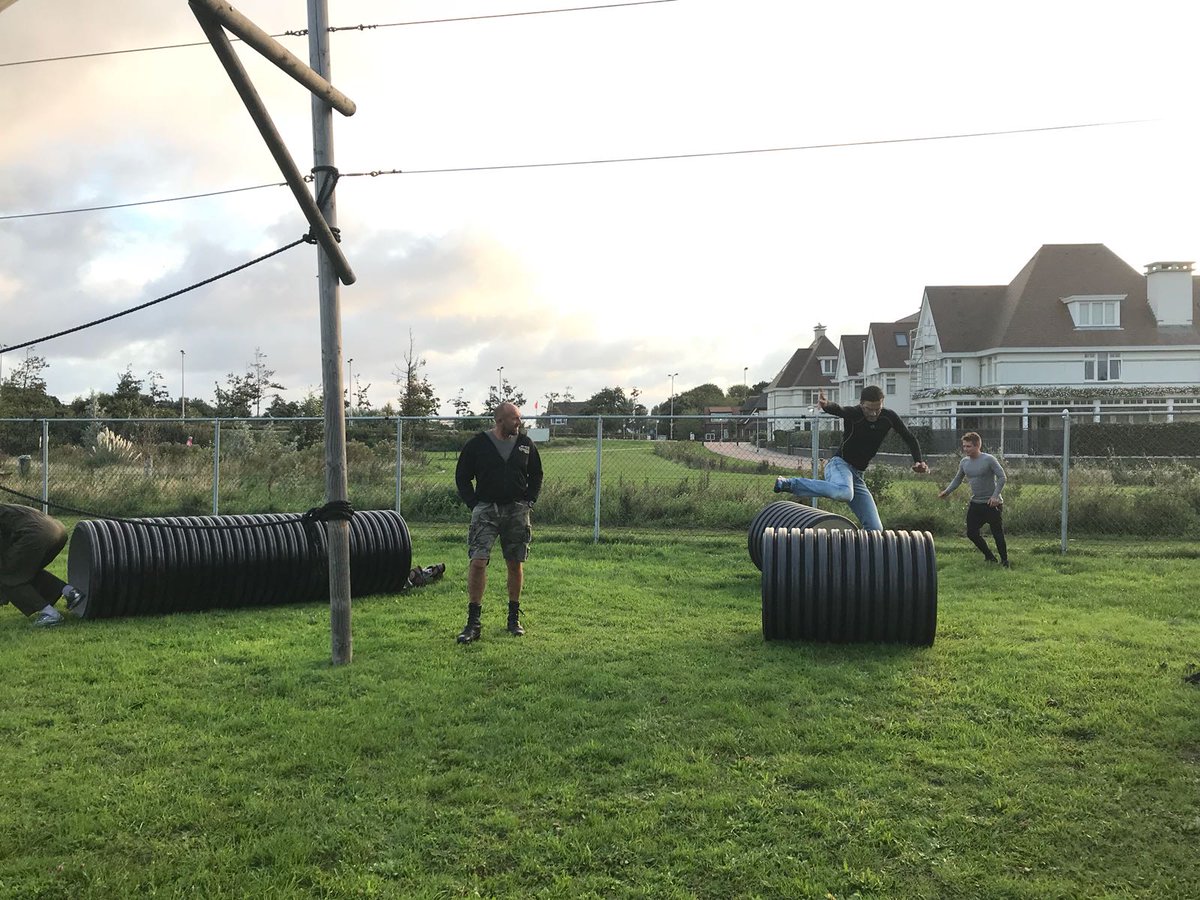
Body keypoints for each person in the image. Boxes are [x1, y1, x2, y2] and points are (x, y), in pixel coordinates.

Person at [773, 384, 929, 530]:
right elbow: (840, 410)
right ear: (861, 404)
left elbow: (909, 438)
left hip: (857, 475)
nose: (873, 414)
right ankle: (790, 484)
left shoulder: (889, 417)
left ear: (882, 404)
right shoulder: (855, 414)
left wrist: (918, 461)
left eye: (878, 409)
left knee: (875, 529)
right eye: (869, 409)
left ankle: (862, 550)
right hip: (840, 465)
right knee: (845, 493)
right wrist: (826, 405)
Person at [453, 401, 543, 644]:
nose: (519, 422)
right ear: (500, 420)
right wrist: (474, 503)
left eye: (519, 418)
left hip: (517, 511)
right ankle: (473, 623)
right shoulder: (478, 444)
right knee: (478, 562)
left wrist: (529, 501)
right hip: (486, 512)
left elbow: (536, 474)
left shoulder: (525, 444)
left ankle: (513, 619)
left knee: (515, 563)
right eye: (515, 418)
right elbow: (462, 476)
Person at [0, 504, 86, 626]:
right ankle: (70, 592)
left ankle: (49, 614)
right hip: (57, 530)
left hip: (36, 534)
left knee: (9, 576)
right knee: (25, 571)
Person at [939, 431, 1009, 567]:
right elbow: (958, 479)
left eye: (969, 446)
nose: (965, 449)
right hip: (976, 503)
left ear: (977, 446)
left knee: (997, 533)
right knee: (971, 533)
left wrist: (995, 496)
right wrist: (947, 492)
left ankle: (1005, 561)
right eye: (964, 446)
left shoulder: (989, 459)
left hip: (991, 504)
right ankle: (989, 557)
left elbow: (1002, 477)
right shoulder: (964, 462)